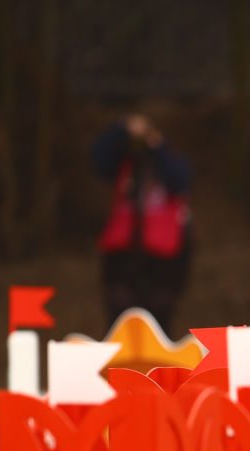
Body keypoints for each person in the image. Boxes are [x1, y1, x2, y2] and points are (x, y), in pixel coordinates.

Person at [92, 114, 192, 333]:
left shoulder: (170, 160)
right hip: (123, 256)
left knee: (160, 323)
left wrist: (157, 145)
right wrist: (121, 130)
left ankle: (159, 366)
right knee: (120, 322)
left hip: (163, 258)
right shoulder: (122, 163)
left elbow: (180, 180)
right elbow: (98, 159)